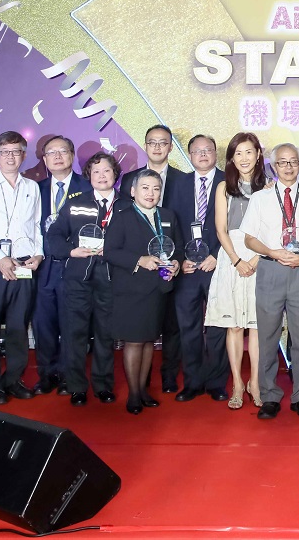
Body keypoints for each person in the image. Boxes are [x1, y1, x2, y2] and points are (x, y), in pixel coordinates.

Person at [241, 143, 299, 420]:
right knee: (267, 336)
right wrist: (272, 251)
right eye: (282, 162)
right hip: (270, 269)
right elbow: (249, 239)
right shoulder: (260, 198)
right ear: (273, 166)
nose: (288, 167)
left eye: (293, 162)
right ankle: (269, 395)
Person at [0, 130, 44, 404]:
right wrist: (0, 258)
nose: (10, 157)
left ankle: (13, 379)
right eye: (4, 152)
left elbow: (36, 225)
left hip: (24, 264)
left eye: (15, 152)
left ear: (23, 155)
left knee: (18, 325)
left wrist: (38, 254)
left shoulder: (32, 187)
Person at [45, 151, 121, 406]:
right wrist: (70, 251)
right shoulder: (76, 203)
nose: (102, 176)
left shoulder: (126, 205)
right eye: (96, 171)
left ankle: (103, 385)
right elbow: (54, 236)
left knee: (105, 335)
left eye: (107, 170)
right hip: (78, 278)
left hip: (111, 278)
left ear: (115, 174)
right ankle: (76, 386)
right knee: (74, 333)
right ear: (89, 176)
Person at [104, 169, 181, 414]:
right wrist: (140, 260)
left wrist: (176, 263)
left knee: (149, 341)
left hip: (158, 289)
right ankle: (134, 394)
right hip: (131, 290)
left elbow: (177, 248)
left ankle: (144, 391)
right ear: (133, 191)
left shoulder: (167, 215)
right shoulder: (122, 216)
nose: (151, 193)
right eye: (145, 188)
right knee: (135, 341)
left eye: (156, 188)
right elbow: (110, 252)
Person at [120, 124, 185, 394]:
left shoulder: (183, 180)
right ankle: (140, 384)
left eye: (163, 142)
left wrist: (179, 259)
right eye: (152, 142)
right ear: (145, 145)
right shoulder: (129, 179)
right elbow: (123, 224)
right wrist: (138, 259)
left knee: (171, 325)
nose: (157, 147)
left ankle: (169, 376)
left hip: (169, 267)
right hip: (139, 271)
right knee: (140, 334)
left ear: (171, 147)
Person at [205, 132, 268, 409]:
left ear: (258, 154)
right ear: (231, 158)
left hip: (261, 257)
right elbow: (220, 229)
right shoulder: (223, 187)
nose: (244, 158)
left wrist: (255, 259)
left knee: (256, 326)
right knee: (234, 325)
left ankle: (255, 382)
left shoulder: (269, 186)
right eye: (238, 153)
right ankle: (237, 384)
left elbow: (272, 230)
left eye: (248, 152)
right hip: (231, 257)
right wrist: (236, 260)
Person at [170, 134, 230, 402]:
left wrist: (217, 255)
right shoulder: (178, 184)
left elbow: (236, 224)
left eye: (208, 150)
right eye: (197, 150)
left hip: (218, 265)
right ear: (189, 155)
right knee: (188, 327)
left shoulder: (229, 182)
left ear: (216, 153)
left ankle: (217, 382)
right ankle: (192, 382)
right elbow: (170, 223)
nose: (203, 154)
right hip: (187, 268)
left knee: (218, 326)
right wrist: (179, 258)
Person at [33, 135, 86, 396]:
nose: (57, 156)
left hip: (76, 266)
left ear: (72, 156)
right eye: (51, 152)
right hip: (44, 266)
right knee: (43, 324)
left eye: (62, 151)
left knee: (71, 325)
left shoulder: (87, 187)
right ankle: (47, 374)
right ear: (44, 159)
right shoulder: (35, 189)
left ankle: (69, 375)